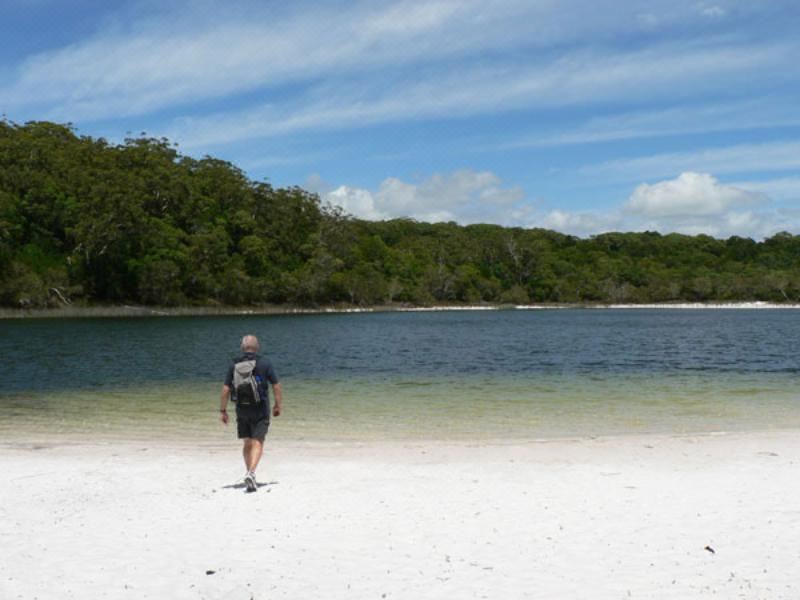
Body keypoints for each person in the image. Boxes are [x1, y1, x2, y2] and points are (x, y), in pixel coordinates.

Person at [219, 334, 282, 492]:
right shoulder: (265, 363)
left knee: (247, 442)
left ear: (242, 348)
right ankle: (251, 473)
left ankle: (249, 473)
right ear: (257, 347)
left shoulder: (234, 365)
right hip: (260, 409)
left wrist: (223, 410)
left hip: (242, 410)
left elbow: (226, 389)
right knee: (258, 441)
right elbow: (276, 386)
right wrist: (277, 405)